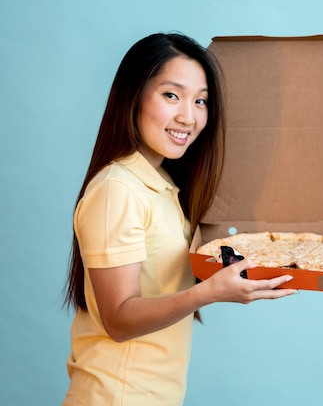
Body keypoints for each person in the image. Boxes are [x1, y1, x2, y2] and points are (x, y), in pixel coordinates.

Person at [62, 32, 296, 405]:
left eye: (201, 101)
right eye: (171, 95)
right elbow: (119, 320)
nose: (188, 116)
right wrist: (211, 292)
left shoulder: (164, 185)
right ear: (134, 95)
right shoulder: (117, 189)